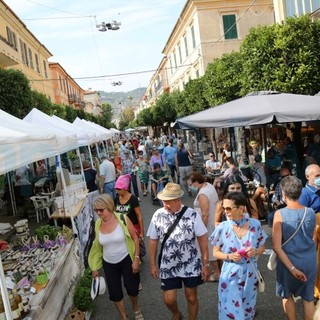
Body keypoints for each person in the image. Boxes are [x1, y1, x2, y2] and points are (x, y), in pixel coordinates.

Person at [147, 183, 210, 320]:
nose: (165, 205)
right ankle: (177, 314)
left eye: (168, 202)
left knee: (191, 297)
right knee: (169, 299)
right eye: (164, 201)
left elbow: (203, 240)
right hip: (168, 264)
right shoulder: (158, 215)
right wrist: (152, 264)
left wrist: (206, 264)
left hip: (191, 262)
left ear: (178, 200)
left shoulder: (192, 215)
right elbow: (153, 240)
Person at [210, 192, 267, 320]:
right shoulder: (222, 227)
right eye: (223, 208)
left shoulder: (255, 225)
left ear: (241, 208)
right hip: (230, 273)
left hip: (250, 273)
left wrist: (255, 252)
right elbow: (215, 252)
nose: (225, 211)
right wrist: (229, 256)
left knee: (247, 310)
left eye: (229, 208)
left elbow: (262, 246)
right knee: (230, 312)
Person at [88, 194, 144, 320]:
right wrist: (95, 268)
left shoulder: (123, 219)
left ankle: (136, 308)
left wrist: (136, 259)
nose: (98, 213)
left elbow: (135, 239)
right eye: (96, 210)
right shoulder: (97, 224)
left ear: (109, 207)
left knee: (132, 288)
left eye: (101, 210)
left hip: (126, 259)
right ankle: (124, 317)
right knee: (115, 293)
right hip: (109, 263)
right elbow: (96, 247)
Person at [273, 176, 316, 320]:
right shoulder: (310, 212)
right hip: (309, 260)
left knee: (287, 294)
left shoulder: (280, 214)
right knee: (308, 297)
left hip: (288, 261)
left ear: (284, 193)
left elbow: (277, 247)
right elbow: (313, 238)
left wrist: (292, 269)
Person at [189, 172, 220, 282]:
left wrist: (202, 230)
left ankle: (216, 273)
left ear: (197, 182)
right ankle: (218, 270)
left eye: (192, 183)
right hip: (214, 221)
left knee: (209, 248)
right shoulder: (209, 186)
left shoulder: (202, 194)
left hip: (207, 224)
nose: (191, 186)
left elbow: (205, 214)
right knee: (215, 246)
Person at [114, 175, 144, 239]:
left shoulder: (133, 199)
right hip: (122, 229)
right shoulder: (116, 199)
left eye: (119, 189)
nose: (117, 191)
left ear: (125, 188)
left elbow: (139, 215)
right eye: (116, 189)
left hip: (134, 228)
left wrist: (141, 232)